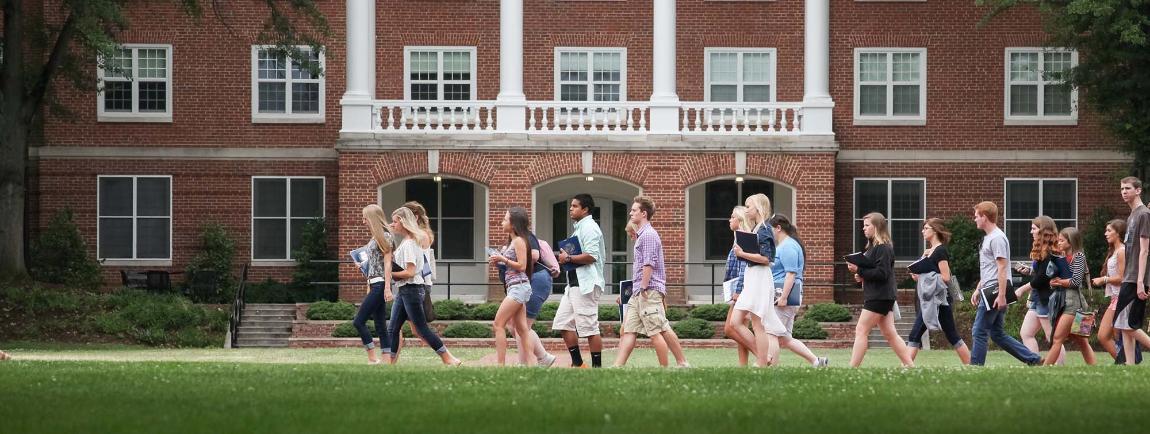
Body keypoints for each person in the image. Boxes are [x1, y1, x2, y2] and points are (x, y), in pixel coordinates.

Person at [613, 196, 690, 368]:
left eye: (634, 210)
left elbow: (649, 263)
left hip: (648, 290)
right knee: (628, 329)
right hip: (638, 291)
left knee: (658, 330)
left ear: (643, 213)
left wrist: (643, 287)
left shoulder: (648, 235)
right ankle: (617, 367)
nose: (630, 213)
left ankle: (673, 366)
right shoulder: (642, 235)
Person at [970, 201, 1042, 366]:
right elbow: (990, 268)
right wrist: (977, 289)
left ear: (985, 217)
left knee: (979, 331)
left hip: (995, 292)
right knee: (997, 333)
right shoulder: (989, 238)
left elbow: (1002, 268)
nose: (974, 220)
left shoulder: (997, 238)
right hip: (990, 290)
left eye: (976, 216)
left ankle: (975, 367)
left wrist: (1001, 296)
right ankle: (1034, 359)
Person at [387, 207, 461, 366]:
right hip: (404, 289)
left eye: (394, 221)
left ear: (403, 221)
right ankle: (389, 362)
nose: (392, 224)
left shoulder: (409, 244)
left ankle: (448, 358)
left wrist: (389, 274)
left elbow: (410, 272)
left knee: (421, 329)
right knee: (393, 328)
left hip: (411, 289)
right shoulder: (409, 241)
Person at [847, 212, 915, 368]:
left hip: (879, 296)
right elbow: (875, 271)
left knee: (861, 330)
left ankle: (852, 368)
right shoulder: (874, 248)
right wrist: (861, 275)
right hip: (881, 295)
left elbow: (882, 273)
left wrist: (860, 270)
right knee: (890, 334)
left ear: (876, 227)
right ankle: (910, 367)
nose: (863, 229)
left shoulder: (883, 248)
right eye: (863, 226)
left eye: (867, 225)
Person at [729, 193, 786, 367]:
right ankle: (763, 358)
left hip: (760, 278)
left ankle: (762, 362)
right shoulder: (756, 229)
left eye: (749, 207)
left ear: (759, 208)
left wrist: (742, 253)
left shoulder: (765, 229)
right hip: (752, 277)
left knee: (757, 323)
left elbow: (767, 259)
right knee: (735, 322)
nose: (746, 210)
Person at [905, 218, 970, 364]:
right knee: (952, 335)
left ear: (935, 230)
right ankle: (971, 365)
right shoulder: (929, 252)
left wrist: (925, 277)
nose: (923, 231)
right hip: (932, 300)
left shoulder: (940, 251)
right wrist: (918, 276)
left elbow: (946, 276)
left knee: (915, 334)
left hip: (939, 300)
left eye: (926, 228)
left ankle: (905, 367)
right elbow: (928, 276)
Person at [768, 214, 829, 367]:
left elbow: (791, 274)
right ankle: (817, 362)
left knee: (771, 333)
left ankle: (770, 369)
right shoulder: (788, 244)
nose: (769, 234)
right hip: (786, 295)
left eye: (771, 230)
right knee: (785, 338)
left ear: (778, 228)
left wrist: (783, 297)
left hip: (783, 295)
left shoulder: (788, 246)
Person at [553, 194, 606, 368]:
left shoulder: (590, 227)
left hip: (587, 285)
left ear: (585, 210)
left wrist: (568, 259)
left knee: (590, 328)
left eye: (575, 206)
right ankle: (578, 364)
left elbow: (591, 256)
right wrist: (564, 258)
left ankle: (597, 369)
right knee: (562, 323)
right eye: (571, 205)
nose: (571, 208)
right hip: (574, 284)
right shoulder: (579, 228)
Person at [1013, 216, 1069, 362]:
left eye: (1034, 228)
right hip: (1038, 298)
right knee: (1026, 332)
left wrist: (1021, 290)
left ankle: (1059, 367)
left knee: (1053, 337)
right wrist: (1029, 271)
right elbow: (1042, 274)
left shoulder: (1051, 252)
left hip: (1048, 299)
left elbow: (1043, 278)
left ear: (1042, 230)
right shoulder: (1042, 250)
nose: (1031, 231)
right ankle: (1035, 362)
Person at [488, 207, 538, 366]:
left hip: (519, 287)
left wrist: (503, 259)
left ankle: (500, 365)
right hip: (515, 286)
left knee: (498, 324)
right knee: (522, 329)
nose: (502, 222)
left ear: (514, 224)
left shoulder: (519, 241)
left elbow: (522, 266)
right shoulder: (513, 241)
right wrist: (499, 260)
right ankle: (532, 363)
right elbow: (512, 265)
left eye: (505, 219)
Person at [1043, 227, 1096, 365]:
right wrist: (1054, 282)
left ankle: (1043, 369)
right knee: (1082, 340)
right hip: (1066, 301)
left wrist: (1059, 282)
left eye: (1061, 240)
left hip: (1073, 304)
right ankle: (1094, 369)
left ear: (1071, 241)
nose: (1058, 243)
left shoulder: (1079, 257)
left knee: (1057, 338)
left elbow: (1075, 281)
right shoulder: (1061, 258)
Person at [351, 205, 395, 365]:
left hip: (380, 285)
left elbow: (388, 262)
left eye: (365, 218)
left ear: (373, 219)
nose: (363, 221)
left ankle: (372, 358)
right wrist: (364, 265)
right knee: (380, 325)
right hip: (374, 282)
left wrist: (388, 288)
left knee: (358, 321)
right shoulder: (374, 238)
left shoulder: (385, 236)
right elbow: (376, 262)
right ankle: (386, 362)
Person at [1114, 177, 1150, 365]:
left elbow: (1144, 250)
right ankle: (1129, 364)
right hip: (1129, 277)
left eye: (1128, 188)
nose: (1124, 191)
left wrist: (1140, 282)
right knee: (1122, 323)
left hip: (1137, 278)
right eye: (1122, 188)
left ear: (1138, 191)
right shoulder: (1132, 215)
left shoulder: (1144, 214)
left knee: (1130, 324)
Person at [722, 206, 755, 366]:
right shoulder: (738, 239)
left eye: (732, 217)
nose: (730, 220)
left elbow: (743, 269)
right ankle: (743, 366)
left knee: (730, 329)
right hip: (740, 290)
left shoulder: (742, 240)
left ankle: (764, 355)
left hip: (742, 291)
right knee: (741, 328)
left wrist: (738, 291)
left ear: (740, 220)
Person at [1091, 219, 1127, 360]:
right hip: (1115, 298)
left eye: (1109, 231)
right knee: (1116, 335)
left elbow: (1122, 278)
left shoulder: (1121, 251)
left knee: (1104, 336)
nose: (1105, 234)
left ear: (1118, 233)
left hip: (1121, 299)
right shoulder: (1115, 251)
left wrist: (1103, 280)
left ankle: (1123, 363)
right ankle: (1124, 363)